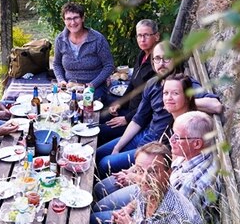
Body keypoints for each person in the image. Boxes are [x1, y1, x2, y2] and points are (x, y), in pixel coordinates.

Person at [95, 41, 223, 178]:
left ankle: (112, 188)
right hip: (145, 135)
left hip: (159, 146)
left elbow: (215, 105)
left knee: (104, 164)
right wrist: (117, 147)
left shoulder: (184, 83)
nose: (161, 62)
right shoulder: (152, 83)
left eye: (166, 58)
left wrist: (180, 100)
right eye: (157, 58)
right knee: (98, 154)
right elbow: (138, 119)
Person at [94, 111, 221, 223]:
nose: (171, 140)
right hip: (147, 204)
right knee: (100, 192)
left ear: (197, 143)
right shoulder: (188, 155)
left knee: (95, 220)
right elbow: (154, 191)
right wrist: (129, 207)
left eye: (177, 137)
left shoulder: (192, 183)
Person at [88, 143, 203, 224]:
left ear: (169, 172)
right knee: (92, 220)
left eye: (153, 172)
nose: (144, 179)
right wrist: (128, 209)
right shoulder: (149, 188)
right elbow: (139, 200)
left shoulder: (179, 218)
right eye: (139, 171)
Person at [94, 73, 197, 202]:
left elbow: (165, 172)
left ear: (187, 97)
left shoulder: (185, 128)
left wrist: (134, 176)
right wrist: (131, 170)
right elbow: (140, 118)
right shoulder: (171, 121)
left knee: (101, 185)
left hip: (157, 188)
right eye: (165, 93)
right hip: (145, 170)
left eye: (175, 93)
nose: (168, 98)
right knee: (99, 187)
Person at [99, 19, 160, 144]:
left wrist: (127, 118)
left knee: (100, 131)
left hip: (139, 119)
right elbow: (132, 83)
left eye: (146, 35)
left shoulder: (157, 64)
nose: (142, 39)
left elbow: (149, 105)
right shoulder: (142, 55)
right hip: (130, 109)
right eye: (139, 35)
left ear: (156, 36)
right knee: (99, 115)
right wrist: (119, 103)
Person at [52, 2, 115, 101]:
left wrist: (92, 84)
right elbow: (56, 64)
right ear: (64, 20)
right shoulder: (60, 40)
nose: (72, 22)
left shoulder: (97, 39)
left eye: (76, 18)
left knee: (87, 107)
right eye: (68, 19)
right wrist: (61, 80)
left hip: (94, 87)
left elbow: (109, 65)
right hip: (70, 88)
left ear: (82, 18)